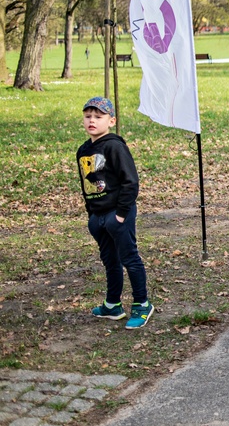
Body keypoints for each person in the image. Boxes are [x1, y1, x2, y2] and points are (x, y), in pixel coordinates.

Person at [77, 96, 153, 330]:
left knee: (129, 258)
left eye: (98, 117)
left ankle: (142, 304)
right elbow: (86, 183)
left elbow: (131, 182)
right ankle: (113, 305)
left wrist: (120, 214)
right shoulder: (84, 150)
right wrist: (92, 214)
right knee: (110, 261)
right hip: (98, 217)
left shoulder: (114, 146)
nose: (92, 121)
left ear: (111, 121)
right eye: (88, 116)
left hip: (118, 214)